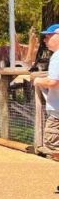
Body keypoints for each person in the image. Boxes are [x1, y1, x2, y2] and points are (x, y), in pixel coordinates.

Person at [34, 24, 59, 160]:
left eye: (48, 36)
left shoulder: (57, 56)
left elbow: (53, 82)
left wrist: (38, 81)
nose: (45, 40)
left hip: (57, 113)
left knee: (54, 149)